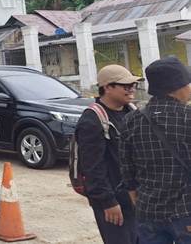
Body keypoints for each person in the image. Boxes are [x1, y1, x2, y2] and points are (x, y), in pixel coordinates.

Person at [121, 56, 191, 244]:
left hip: (148, 212)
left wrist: (140, 200)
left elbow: (127, 170)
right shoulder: (188, 117)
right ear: (178, 87)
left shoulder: (131, 120)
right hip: (186, 212)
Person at [76, 64, 141, 244]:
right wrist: (108, 202)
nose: (131, 90)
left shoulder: (132, 112)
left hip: (136, 198)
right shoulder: (93, 120)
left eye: (133, 85)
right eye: (125, 86)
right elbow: (92, 167)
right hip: (113, 201)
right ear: (107, 88)